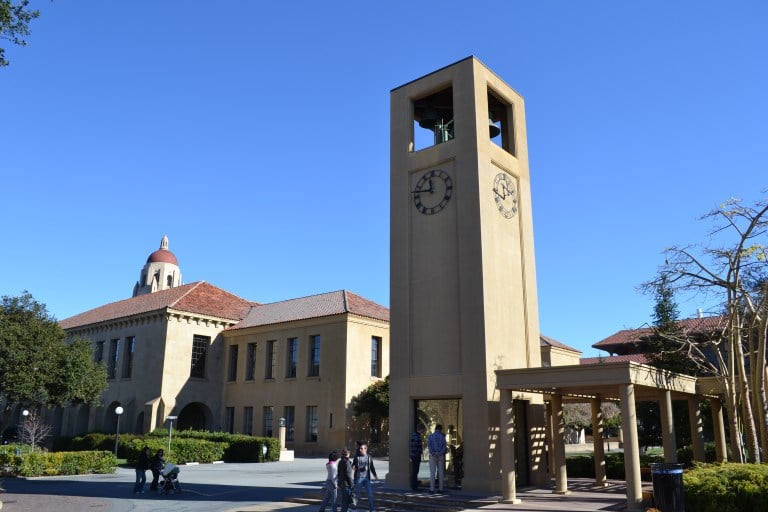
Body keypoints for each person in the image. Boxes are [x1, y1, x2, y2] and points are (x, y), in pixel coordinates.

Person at [351, 441, 378, 512]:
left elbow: (372, 467)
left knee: (370, 495)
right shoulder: (357, 457)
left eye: (362, 448)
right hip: (359, 478)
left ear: (366, 449)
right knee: (357, 495)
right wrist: (353, 467)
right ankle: (353, 509)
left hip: (366, 479)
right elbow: (353, 465)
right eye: (360, 448)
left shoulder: (369, 457)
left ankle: (372, 510)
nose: (360, 450)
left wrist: (375, 475)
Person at [427, 424, 447, 493]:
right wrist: (440, 453)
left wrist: (433, 453)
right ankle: (440, 489)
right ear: (440, 429)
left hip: (433, 456)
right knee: (441, 473)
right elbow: (444, 447)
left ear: (435, 429)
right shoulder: (442, 437)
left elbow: (429, 446)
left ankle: (431, 489)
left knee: (432, 473)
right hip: (440, 456)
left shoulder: (430, 437)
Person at [409, 424, 425, 491]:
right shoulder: (416, 436)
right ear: (420, 430)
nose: (423, 432)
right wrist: (419, 452)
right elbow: (415, 446)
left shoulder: (415, 435)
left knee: (415, 471)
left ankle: (415, 484)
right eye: (423, 430)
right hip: (415, 456)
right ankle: (414, 486)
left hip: (414, 455)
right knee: (415, 471)